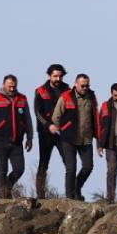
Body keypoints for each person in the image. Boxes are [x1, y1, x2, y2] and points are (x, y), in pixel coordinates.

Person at [0, 74, 33, 199]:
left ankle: (6, 188)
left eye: (14, 86)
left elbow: (28, 120)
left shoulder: (22, 99)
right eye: (9, 86)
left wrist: (30, 138)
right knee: (2, 171)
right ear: (3, 85)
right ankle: (3, 197)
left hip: (16, 142)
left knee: (19, 169)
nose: (12, 89)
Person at [49, 73, 98, 200]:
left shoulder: (91, 97)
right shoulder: (65, 97)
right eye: (82, 85)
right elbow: (56, 117)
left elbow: (95, 118)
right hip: (68, 139)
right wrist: (64, 129)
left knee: (88, 167)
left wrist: (98, 137)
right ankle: (70, 197)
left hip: (86, 139)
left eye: (87, 85)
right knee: (71, 169)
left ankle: (76, 187)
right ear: (76, 84)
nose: (85, 88)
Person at [33, 63, 70, 198]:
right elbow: (37, 112)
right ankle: (40, 195)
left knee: (69, 162)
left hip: (63, 133)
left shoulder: (68, 90)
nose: (58, 79)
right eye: (55, 76)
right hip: (45, 133)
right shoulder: (40, 90)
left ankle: (71, 194)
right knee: (44, 163)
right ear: (49, 76)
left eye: (60, 76)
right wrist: (49, 125)